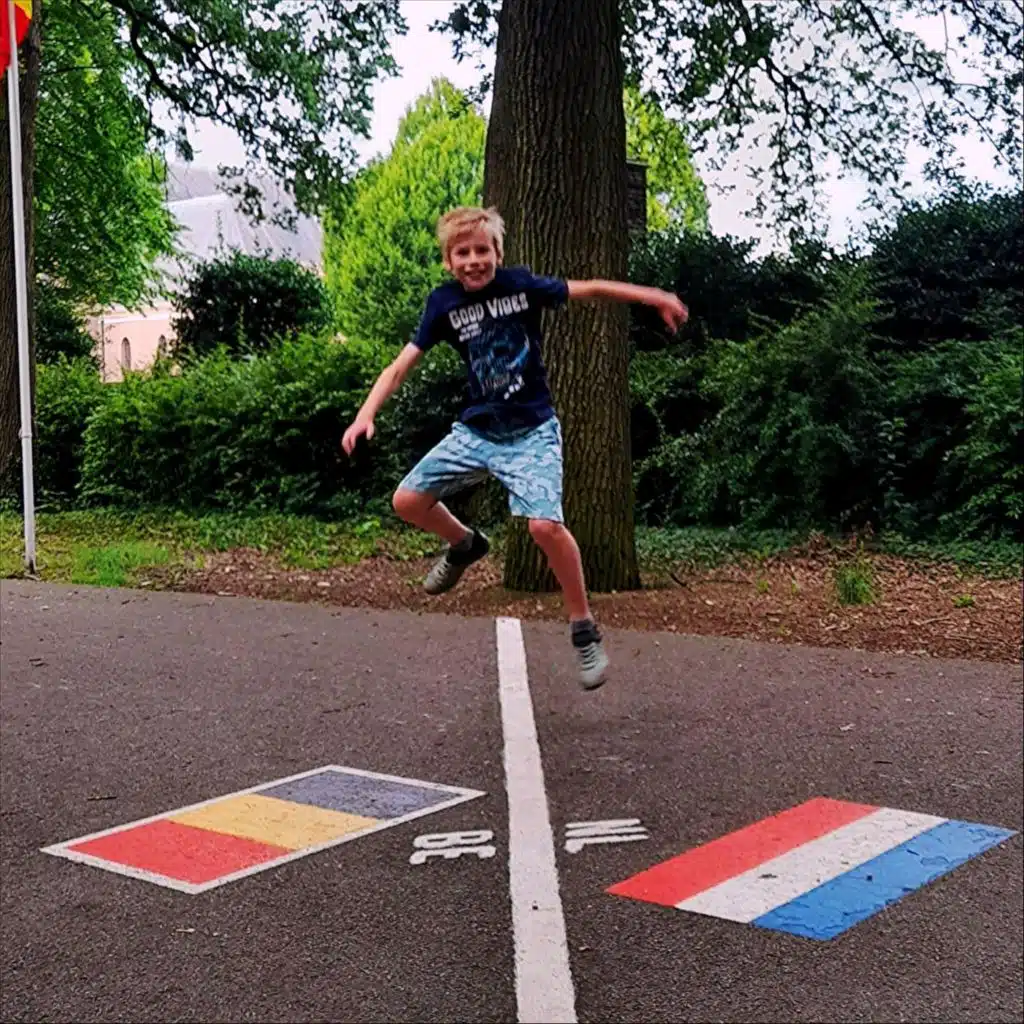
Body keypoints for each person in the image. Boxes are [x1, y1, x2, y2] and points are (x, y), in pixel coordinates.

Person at [341, 205, 687, 690]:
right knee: (407, 500)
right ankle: (465, 544)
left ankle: (583, 627)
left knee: (545, 526)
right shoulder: (443, 304)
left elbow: (590, 288)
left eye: (482, 250)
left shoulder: (520, 286)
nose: (473, 260)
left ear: (498, 254)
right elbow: (400, 366)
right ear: (448, 261)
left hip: (532, 434)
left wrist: (655, 297)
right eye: (463, 253)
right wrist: (365, 414)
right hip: (477, 433)